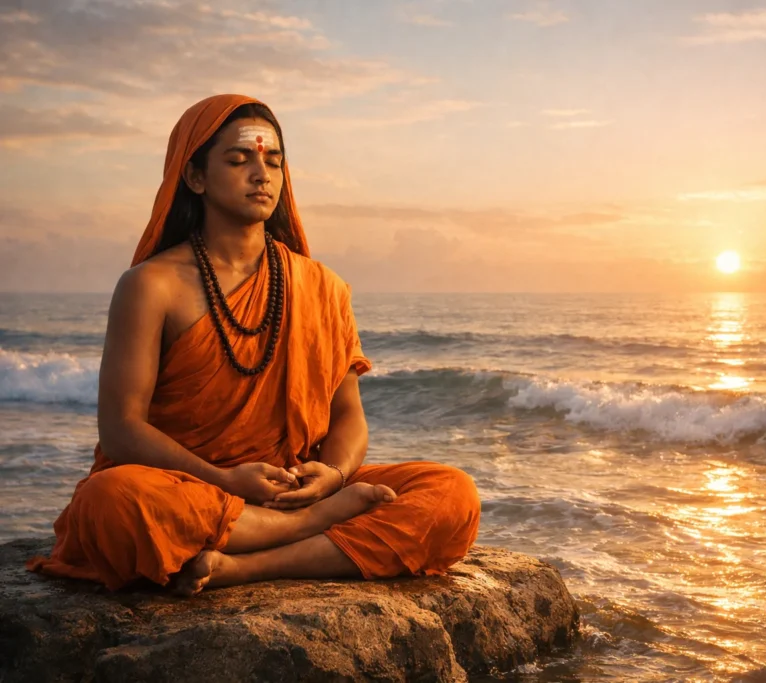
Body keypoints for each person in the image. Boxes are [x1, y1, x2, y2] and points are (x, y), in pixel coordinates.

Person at [26, 94, 481, 597]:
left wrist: (332, 475)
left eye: (274, 161)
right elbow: (121, 429)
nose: (261, 174)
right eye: (240, 160)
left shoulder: (321, 286)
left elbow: (347, 414)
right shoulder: (151, 286)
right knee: (110, 501)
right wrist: (223, 480)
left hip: (292, 488)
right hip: (194, 487)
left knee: (451, 493)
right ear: (195, 177)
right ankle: (305, 530)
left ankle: (246, 567)